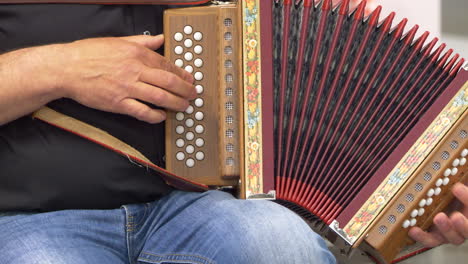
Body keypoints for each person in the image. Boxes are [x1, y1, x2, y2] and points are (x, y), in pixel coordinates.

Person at [0, 3, 465, 264]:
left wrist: (425, 197)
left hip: (188, 206)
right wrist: (54, 68)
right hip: (29, 216)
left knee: (283, 245)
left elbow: (325, 86)